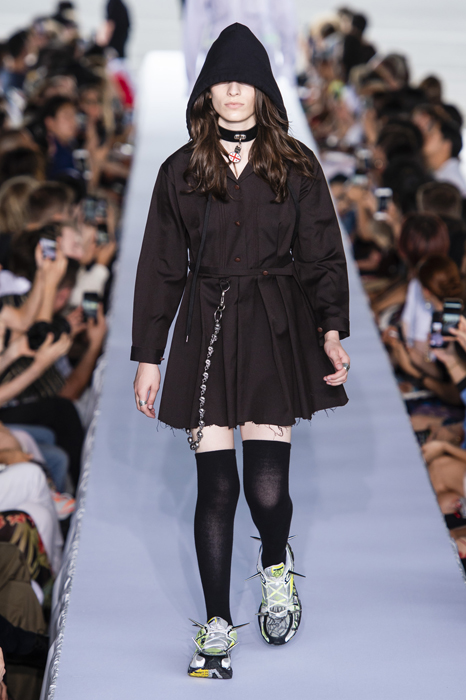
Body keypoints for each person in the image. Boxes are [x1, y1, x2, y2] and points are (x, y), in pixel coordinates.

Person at [131, 23, 350, 679]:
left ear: (262, 89)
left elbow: (322, 254)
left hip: (272, 327)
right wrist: (149, 354)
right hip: (205, 329)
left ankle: (276, 565)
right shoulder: (181, 170)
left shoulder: (296, 165)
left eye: (244, 80)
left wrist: (331, 329)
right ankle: (218, 624)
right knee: (217, 486)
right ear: (206, 89)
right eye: (222, 80)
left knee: (267, 487)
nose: (232, 91)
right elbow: (162, 266)